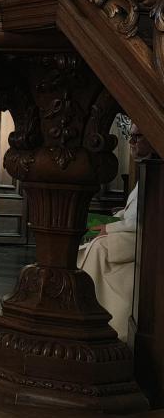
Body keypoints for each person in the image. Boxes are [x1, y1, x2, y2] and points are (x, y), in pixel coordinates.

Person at [77, 123, 154, 342]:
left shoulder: (156, 170)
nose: (131, 142)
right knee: (89, 237)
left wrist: (108, 227)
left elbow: (146, 220)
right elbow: (134, 213)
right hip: (134, 232)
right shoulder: (148, 167)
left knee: (100, 247)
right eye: (130, 137)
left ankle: (101, 318)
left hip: (146, 238)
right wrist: (115, 219)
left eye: (137, 137)